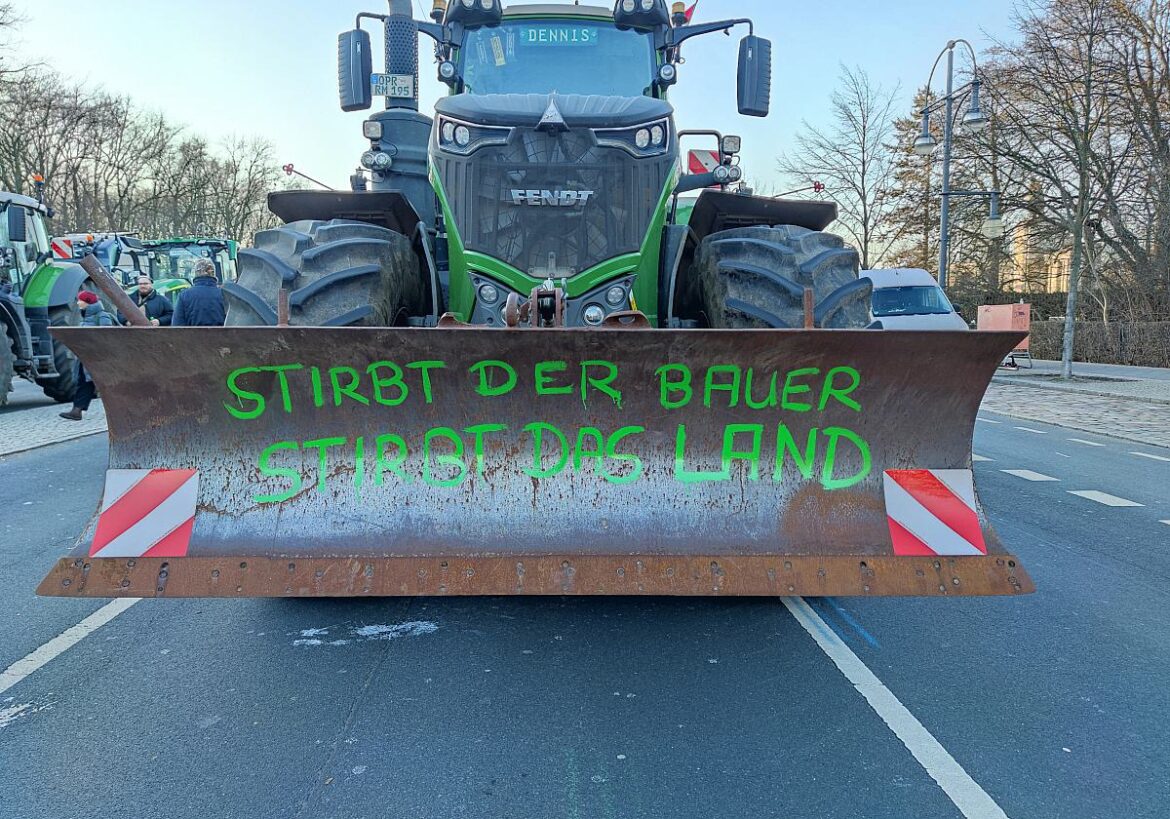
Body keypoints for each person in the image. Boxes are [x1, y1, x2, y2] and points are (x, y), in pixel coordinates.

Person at [59, 291, 115, 421]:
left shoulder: (102, 317)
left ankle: (118, 410)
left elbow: (108, 337)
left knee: (107, 386)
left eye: (80, 300)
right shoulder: (86, 317)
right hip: (85, 359)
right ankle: (76, 411)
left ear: (87, 302)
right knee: (84, 383)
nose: (78, 302)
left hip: (98, 359)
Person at [172, 258, 226, 326]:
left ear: (195, 273)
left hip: (192, 336)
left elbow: (177, 325)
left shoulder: (184, 296)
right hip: (221, 336)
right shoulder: (224, 295)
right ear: (214, 273)